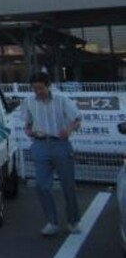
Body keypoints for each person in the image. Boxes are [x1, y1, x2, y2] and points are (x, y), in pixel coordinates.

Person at [20, 72, 83, 236]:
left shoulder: (62, 99)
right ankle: (52, 222)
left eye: (40, 88)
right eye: (34, 88)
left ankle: (73, 221)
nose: (38, 91)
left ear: (48, 86)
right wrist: (29, 131)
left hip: (60, 144)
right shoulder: (29, 102)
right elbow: (27, 123)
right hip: (40, 145)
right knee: (41, 185)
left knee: (68, 185)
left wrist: (68, 130)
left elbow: (77, 119)